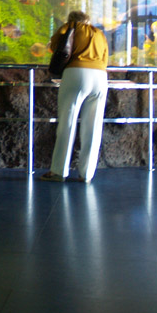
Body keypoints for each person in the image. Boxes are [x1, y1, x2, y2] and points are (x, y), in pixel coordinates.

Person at [41, 10, 109, 183]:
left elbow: (55, 45)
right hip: (100, 77)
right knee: (93, 127)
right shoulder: (99, 33)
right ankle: (86, 174)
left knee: (67, 122)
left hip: (77, 74)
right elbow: (105, 57)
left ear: (71, 19)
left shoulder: (70, 27)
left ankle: (59, 171)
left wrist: (67, 28)